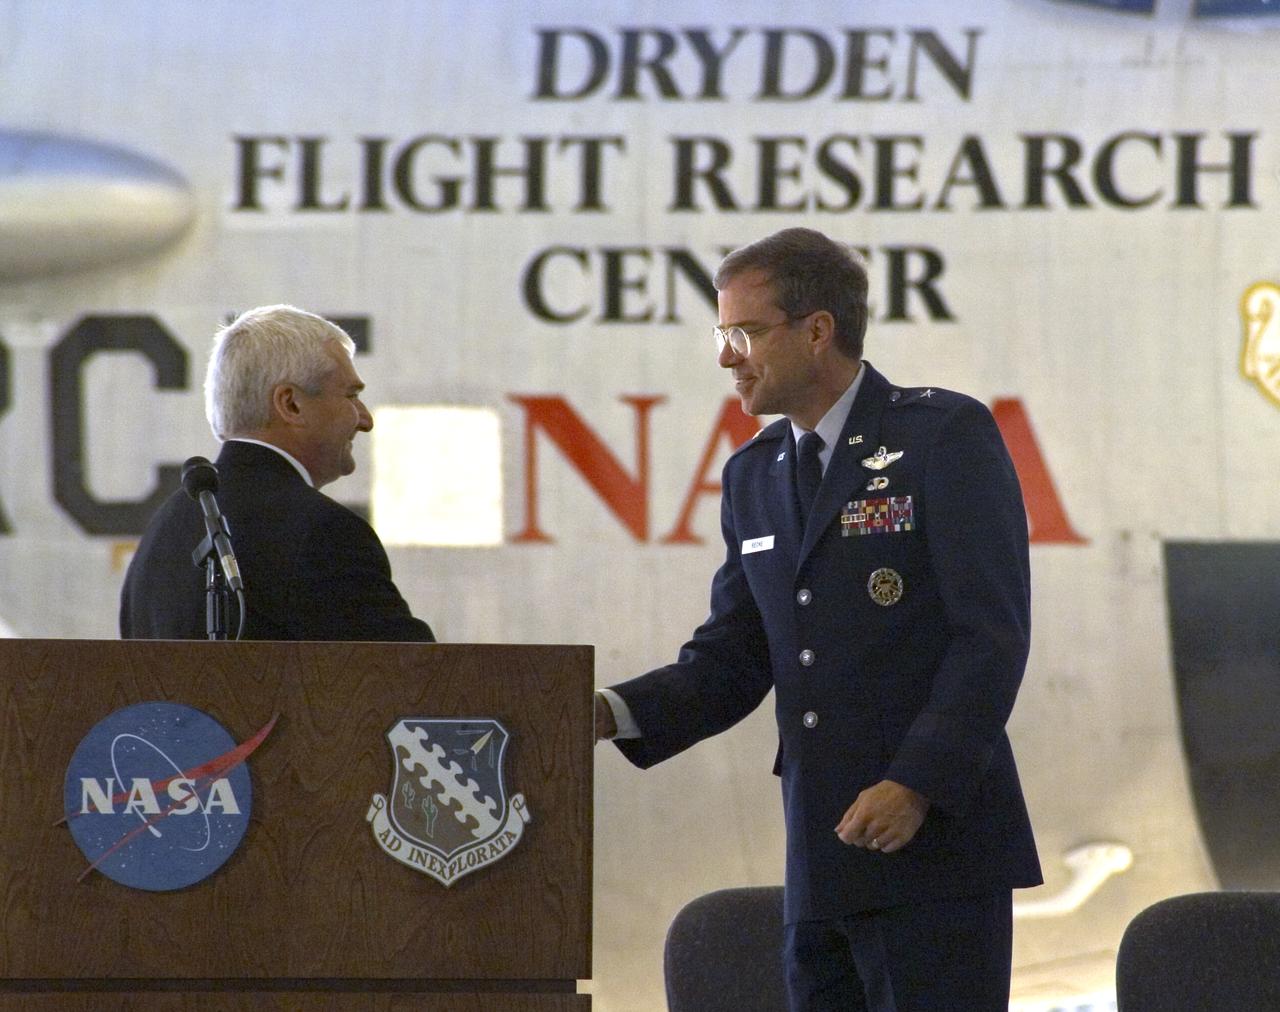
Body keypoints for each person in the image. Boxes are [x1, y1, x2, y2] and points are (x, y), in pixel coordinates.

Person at [595, 228, 1041, 1010]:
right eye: (721, 335)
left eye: (744, 332)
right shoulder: (753, 475)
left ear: (817, 330)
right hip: (821, 855)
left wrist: (915, 783)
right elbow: (735, 656)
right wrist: (607, 713)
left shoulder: (940, 436)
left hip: (932, 848)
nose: (727, 356)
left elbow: (991, 634)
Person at [120, 304, 434, 642]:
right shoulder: (325, 534)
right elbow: (411, 679)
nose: (365, 420)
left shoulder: (162, 532)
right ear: (291, 404)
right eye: (351, 396)